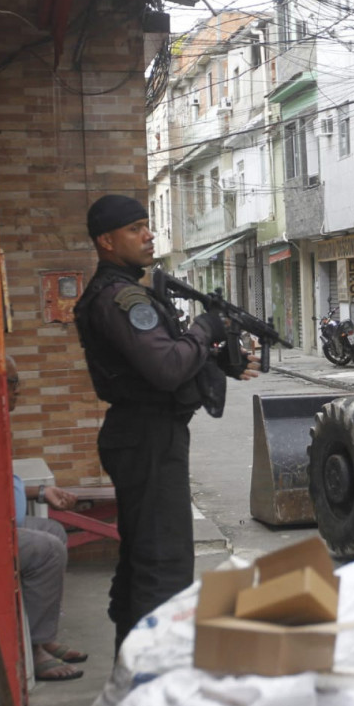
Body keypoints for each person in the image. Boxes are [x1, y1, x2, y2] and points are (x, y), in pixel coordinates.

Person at [72, 194, 259, 654]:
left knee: (143, 562)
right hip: (146, 438)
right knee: (164, 564)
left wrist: (217, 361)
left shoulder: (125, 292)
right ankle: (151, 679)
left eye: (147, 225)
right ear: (106, 242)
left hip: (146, 435)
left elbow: (162, 362)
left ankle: (133, 669)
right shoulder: (121, 297)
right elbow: (166, 368)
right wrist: (206, 329)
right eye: (136, 228)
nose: (148, 234)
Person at [7, 356, 86, 681]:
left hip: (11, 521)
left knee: (54, 529)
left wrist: (41, 493)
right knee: (47, 549)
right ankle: (36, 647)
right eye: (13, 385)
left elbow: (5, 484)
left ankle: (44, 633)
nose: (18, 393)